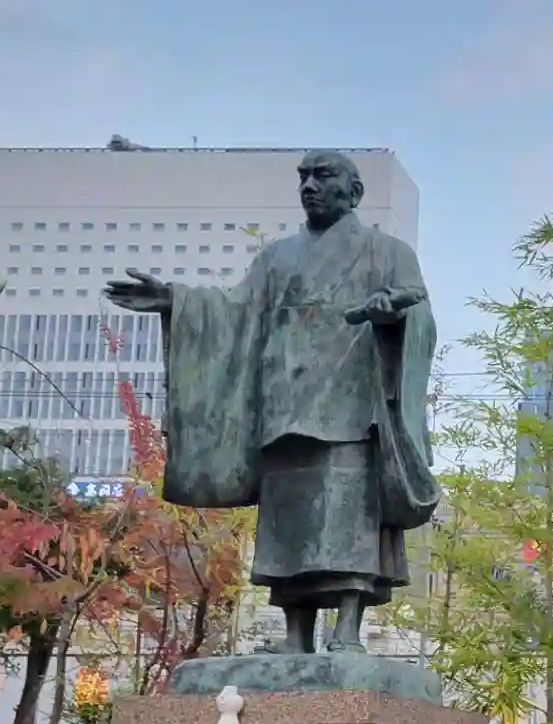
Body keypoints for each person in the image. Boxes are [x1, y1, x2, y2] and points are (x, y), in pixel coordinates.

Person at [105, 150, 438, 654]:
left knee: (348, 516)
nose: (309, 186)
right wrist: (176, 299)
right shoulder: (277, 258)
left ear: (354, 192)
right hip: (284, 403)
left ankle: (347, 631)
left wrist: (393, 314)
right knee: (290, 521)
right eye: (303, 177)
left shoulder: (387, 252)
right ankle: (295, 635)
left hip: (352, 408)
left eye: (323, 176)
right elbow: (235, 310)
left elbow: (420, 314)